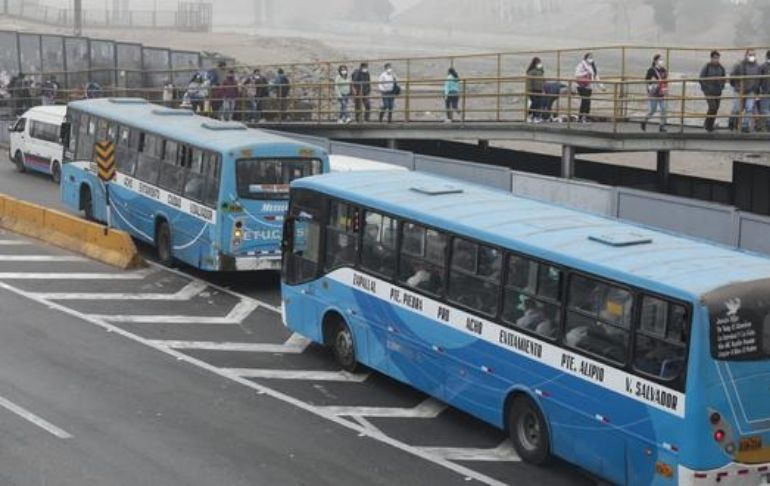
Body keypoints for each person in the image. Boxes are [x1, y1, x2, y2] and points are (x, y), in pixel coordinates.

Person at [730, 49, 762, 133]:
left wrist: (755, 89)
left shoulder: (757, 67)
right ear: (746, 55)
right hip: (739, 90)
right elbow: (732, 76)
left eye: (753, 55)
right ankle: (732, 122)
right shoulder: (739, 65)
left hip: (750, 91)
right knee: (736, 109)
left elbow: (758, 79)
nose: (752, 57)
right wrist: (736, 86)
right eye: (750, 55)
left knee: (749, 108)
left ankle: (745, 126)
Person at [699, 51, 726, 132]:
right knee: (712, 107)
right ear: (711, 58)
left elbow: (724, 78)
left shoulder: (721, 67)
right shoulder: (707, 66)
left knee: (716, 108)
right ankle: (708, 125)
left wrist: (722, 86)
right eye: (714, 58)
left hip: (718, 91)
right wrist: (705, 88)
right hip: (709, 91)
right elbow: (701, 78)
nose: (716, 60)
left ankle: (709, 124)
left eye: (717, 58)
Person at [642, 54, 668, 132]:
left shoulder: (664, 70)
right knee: (653, 110)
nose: (661, 61)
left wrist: (665, 90)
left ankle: (662, 126)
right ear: (655, 61)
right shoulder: (651, 70)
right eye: (660, 59)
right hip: (653, 93)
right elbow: (647, 80)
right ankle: (644, 121)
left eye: (662, 59)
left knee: (663, 109)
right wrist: (651, 86)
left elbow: (665, 81)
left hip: (661, 93)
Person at [574, 53, 603, 123]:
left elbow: (596, 76)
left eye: (592, 57)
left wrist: (601, 86)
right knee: (585, 101)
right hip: (581, 86)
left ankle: (584, 117)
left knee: (587, 102)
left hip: (589, 86)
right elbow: (576, 74)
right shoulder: (581, 65)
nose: (591, 59)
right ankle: (582, 117)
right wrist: (586, 73)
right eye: (589, 57)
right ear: (585, 58)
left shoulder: (593, 66)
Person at [525, 57, 545, 123]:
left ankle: (535, 117)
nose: (540, 64)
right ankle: (530, 116)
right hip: (533, 90)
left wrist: (543, 89)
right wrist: (529, 91)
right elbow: (529, 82)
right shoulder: (531, 72)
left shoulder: (541, 71)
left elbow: (543, 81)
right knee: (534, 103)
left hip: (539, 90)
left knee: (538, 104)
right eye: (539, 62)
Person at [759, 50, 770, 133]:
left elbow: (759, 80)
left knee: (765, 110)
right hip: (765, 91)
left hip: (765, 91)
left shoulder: (763, 66)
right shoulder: (763, 66)